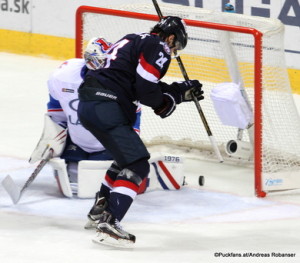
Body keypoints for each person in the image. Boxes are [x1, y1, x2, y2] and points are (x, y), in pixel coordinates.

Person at [77, 16, 204, 246]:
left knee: (125, 159)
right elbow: (146, 92)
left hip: (89, 104)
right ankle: (110, 222)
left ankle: (98, 211)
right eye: (176, 45)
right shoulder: (159, 46)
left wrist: (177, 92)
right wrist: (168, 101)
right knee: (138, 164)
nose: (173, 51)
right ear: (171, 37)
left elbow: (137, 83)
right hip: (107, 104)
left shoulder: (133, 39)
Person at [46, 37, 141, 191]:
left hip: (108, 146)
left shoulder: (125, 83)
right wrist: (52, 137)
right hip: (76, 143)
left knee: (97, 188)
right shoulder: (63, 76)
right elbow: (57, 112)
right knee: (69, 185)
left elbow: (134, 119)